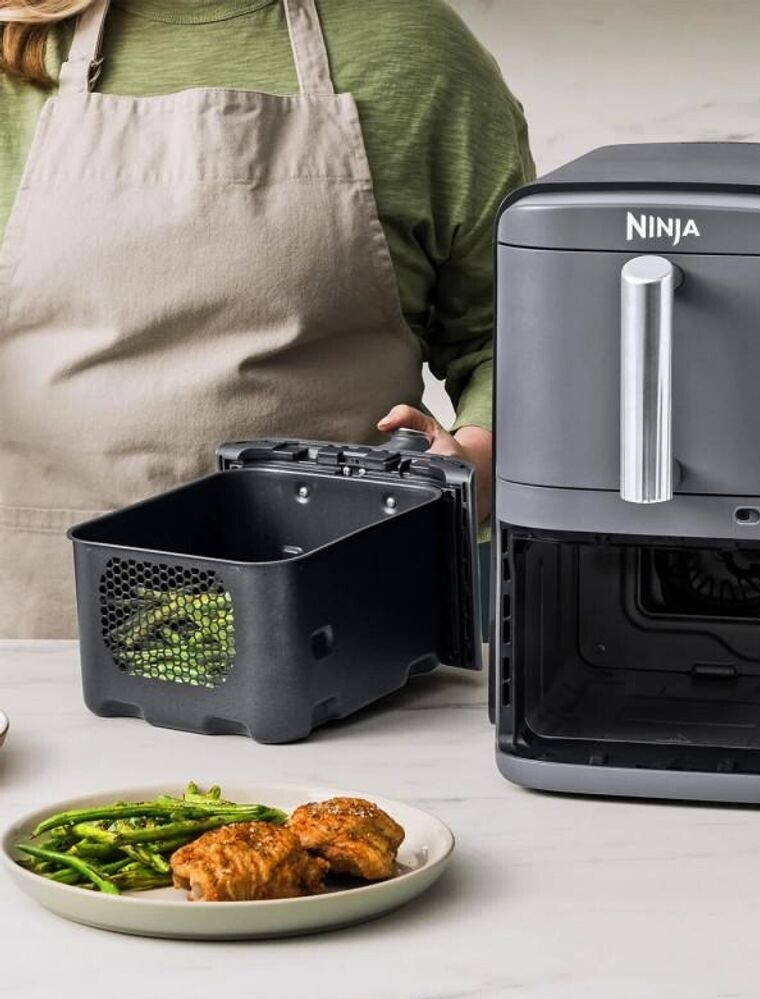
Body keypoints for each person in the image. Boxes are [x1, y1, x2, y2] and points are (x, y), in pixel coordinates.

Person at [0, 0, 534, 637]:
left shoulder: (414, 49)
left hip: (335, 619)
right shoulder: (15, 45)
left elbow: (521, 337)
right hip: (34, 627)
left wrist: (473, 466)